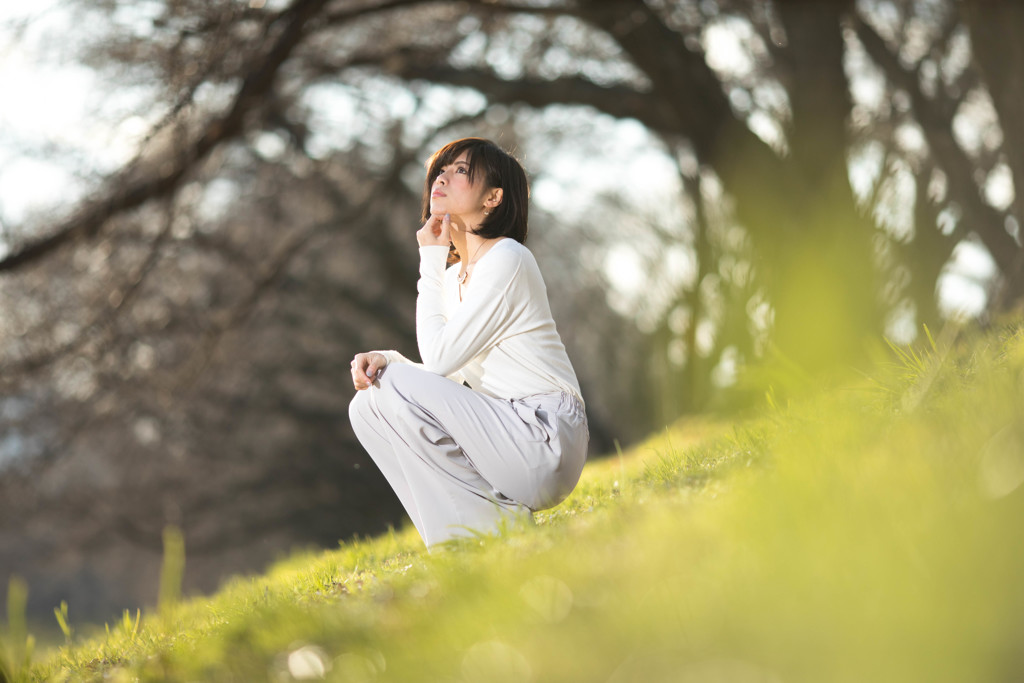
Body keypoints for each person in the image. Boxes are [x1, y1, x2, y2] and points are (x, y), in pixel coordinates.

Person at [347, 137, 589, 548]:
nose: (442, 176)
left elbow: (438, 362)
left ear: (493, 197)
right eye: (441, 170)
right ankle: (470, 534)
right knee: (368, 405)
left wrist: (430, 259)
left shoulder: (507, 258)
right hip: (504, 430)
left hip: (544, 435)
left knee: (394, 385)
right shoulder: (458, 279)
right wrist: (388, 360)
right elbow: (448, 378)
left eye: (461, 170)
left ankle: (489, 527)